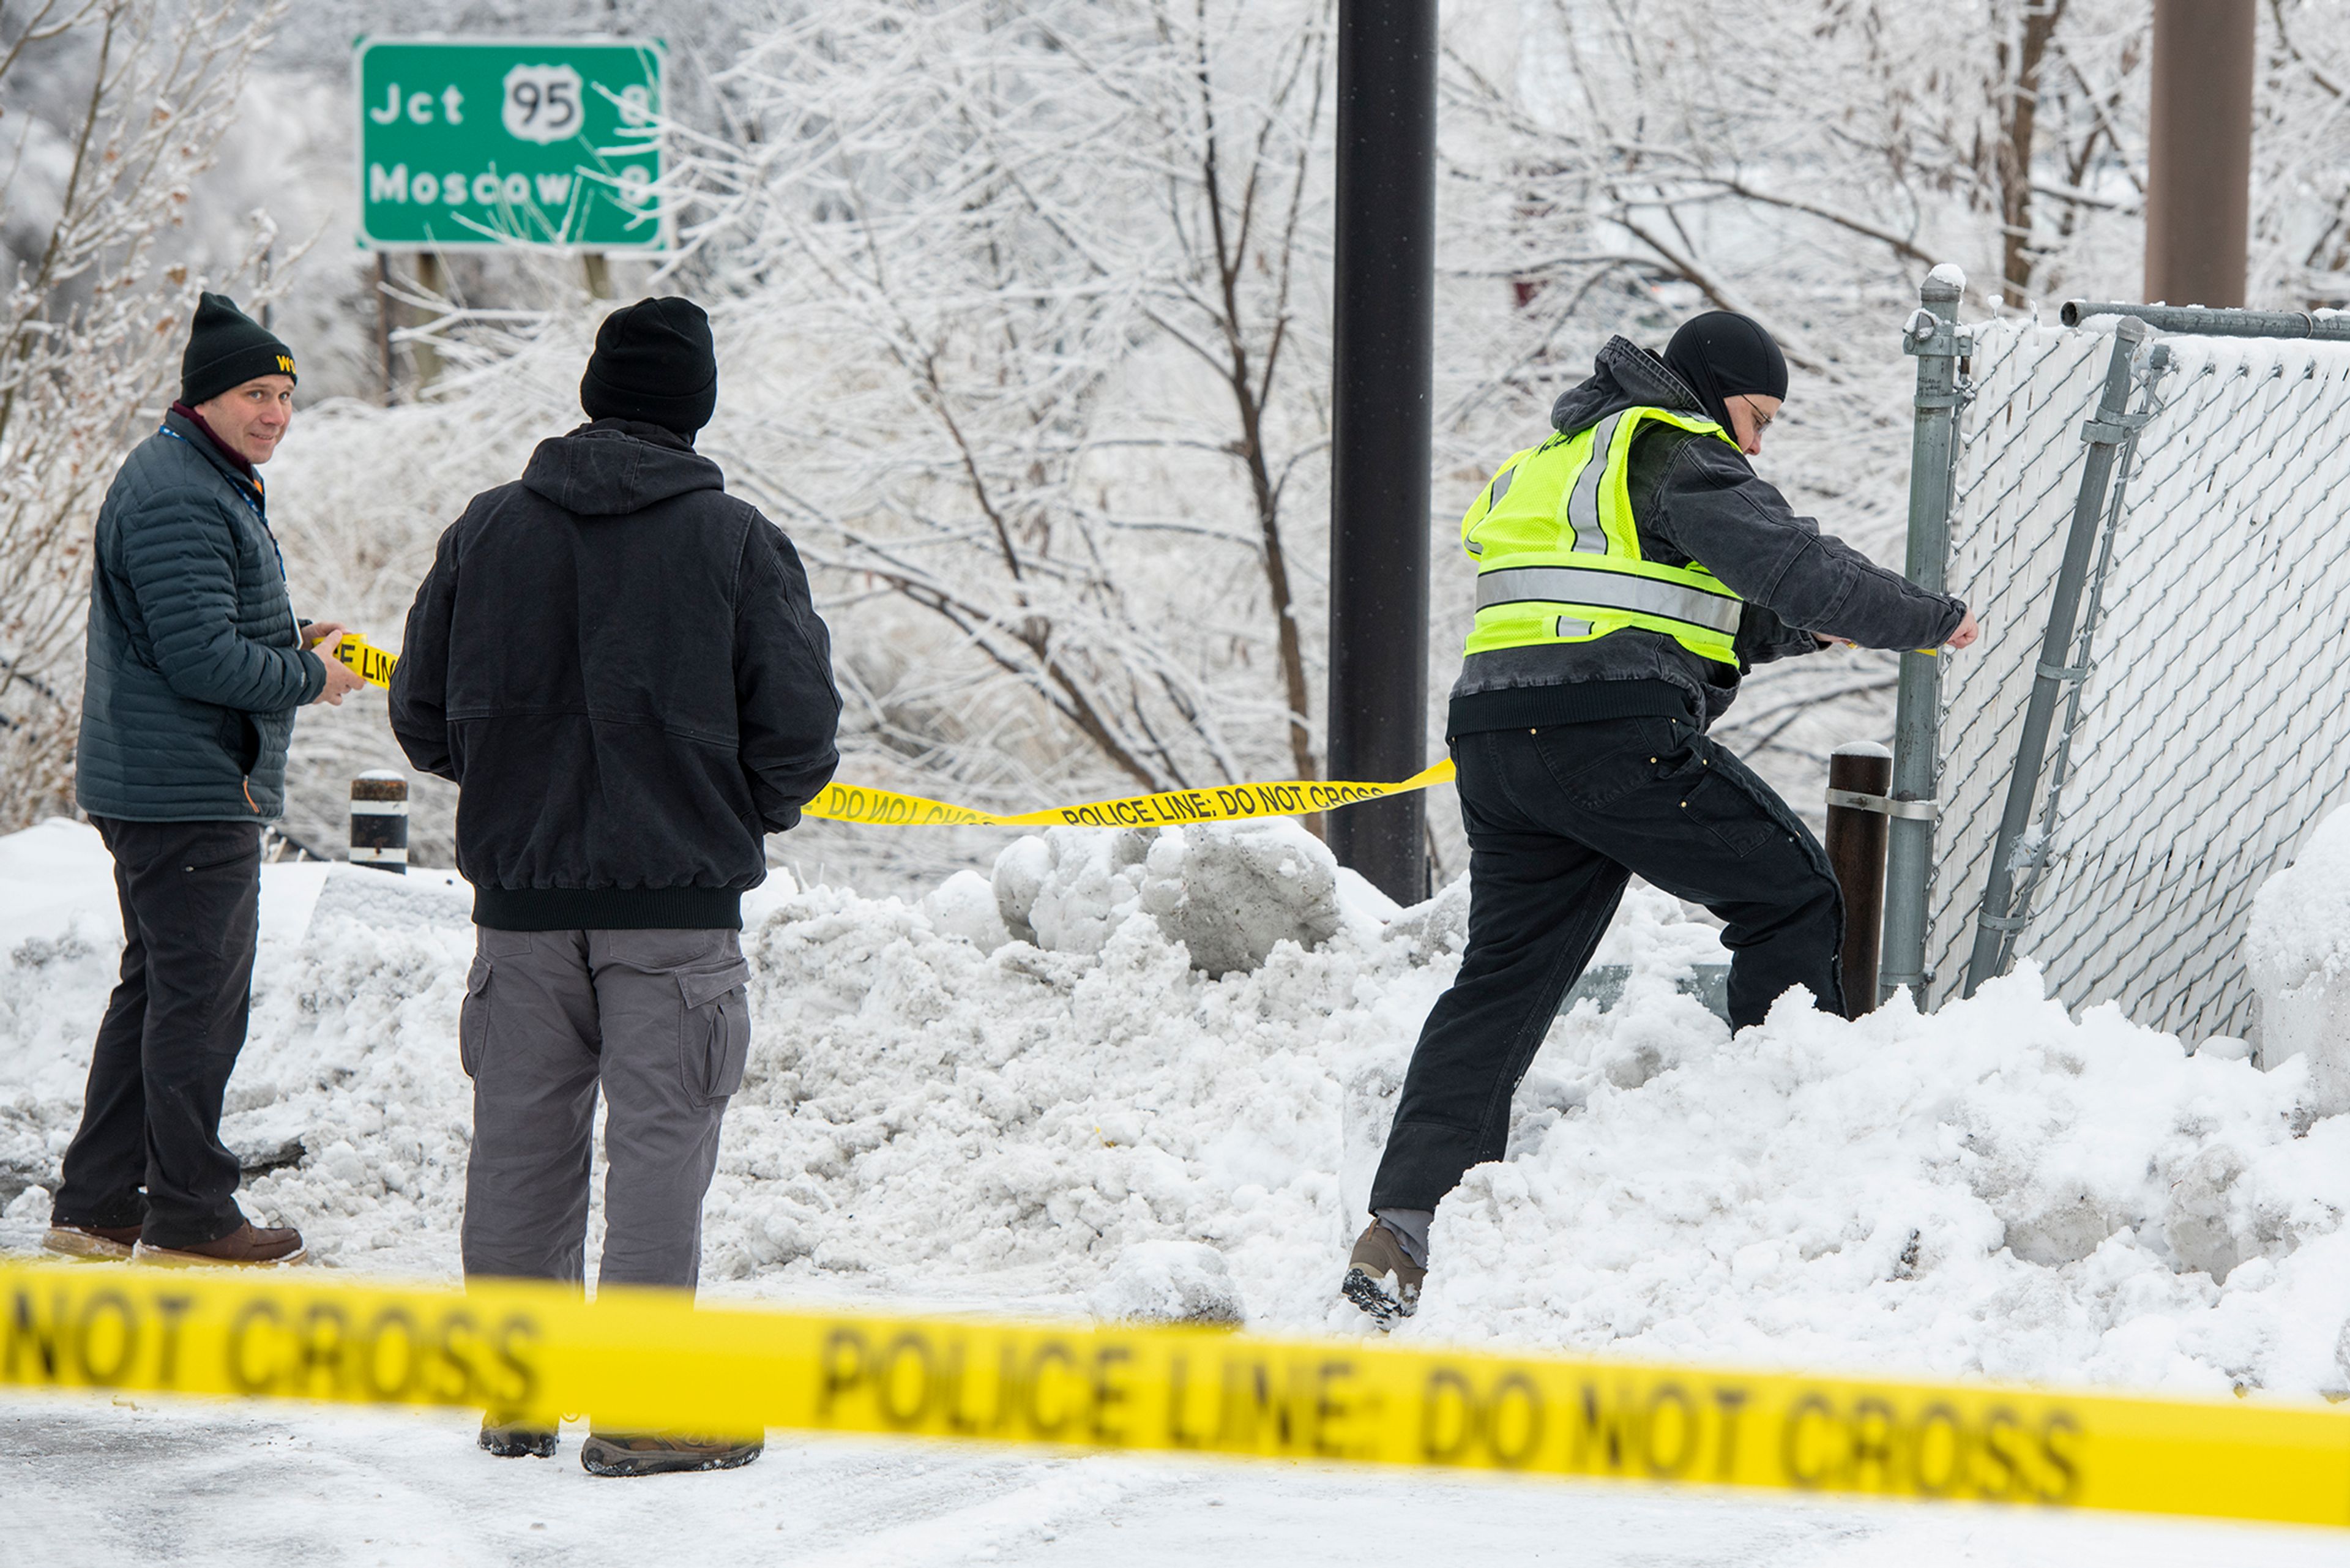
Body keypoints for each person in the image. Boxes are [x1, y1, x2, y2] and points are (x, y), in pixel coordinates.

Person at [1342, 312, 1981, 1326]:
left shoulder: (1562, 459)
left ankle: (1403, 1226)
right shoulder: (1673, 444)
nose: (1757, 443)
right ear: (1715, 386)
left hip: (1501, 744)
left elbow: (1670, 594)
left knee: (1503, 981)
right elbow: (1788, 560)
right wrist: (1929, 620)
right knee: (1790, 895)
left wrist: (1804, 630)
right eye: (1756, 415)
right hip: (1609, 733)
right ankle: (1783, 1138)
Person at [389, 296, 841, 1476]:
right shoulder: (737, 542)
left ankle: (518, 1393)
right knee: (658, 1150)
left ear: (592, 394)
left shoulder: (486, 530)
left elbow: (422, 718)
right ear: (696, 407)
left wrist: (511, 783)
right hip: (676, 909)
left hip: (523, 908)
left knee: (521, 1143)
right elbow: (799, 736)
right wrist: (734, 805)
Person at [45, 293, 367, 1268]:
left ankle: (98, 1204)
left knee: (158, 993)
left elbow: (199, 626)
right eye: (253, 393)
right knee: (198, 1003)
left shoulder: (199, 476)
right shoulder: (184, 490)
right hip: (185, 789)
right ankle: (190, 1212)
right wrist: (313, 675)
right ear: (206, 399)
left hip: (168, 781)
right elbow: (200, 660)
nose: (273, 412)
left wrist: (288, 635)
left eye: (284, 394)